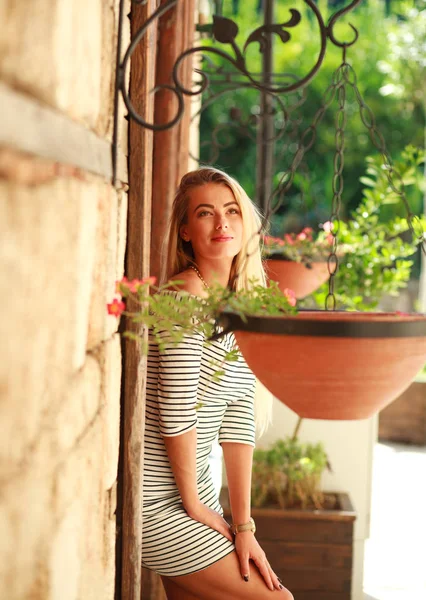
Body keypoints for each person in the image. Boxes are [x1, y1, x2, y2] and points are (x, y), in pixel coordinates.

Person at [142, 167, 293, 600]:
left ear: (246, 222)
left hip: (197, 493)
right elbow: (175, 411)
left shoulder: (241, 306)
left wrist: (242, 524)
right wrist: (194, 506)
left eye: (231, 211)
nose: (222, 223)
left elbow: (238, 420)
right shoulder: (182, 297)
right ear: (186, 232)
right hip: (158, 501)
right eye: (206, 213)